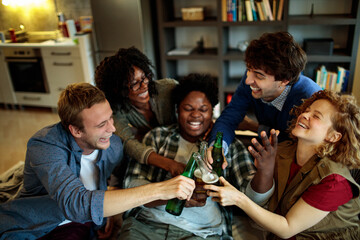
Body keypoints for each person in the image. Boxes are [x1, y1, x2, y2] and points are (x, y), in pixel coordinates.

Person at [0, 83, 195, 240]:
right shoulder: (44, 145)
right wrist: (162, 189)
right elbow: (75, 204)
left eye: (111, 118)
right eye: (102, 125)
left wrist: (109, 213)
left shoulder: (114, 146)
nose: (112, 129)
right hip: (35, 225)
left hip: (81, 225)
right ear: (76, 130)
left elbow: (115, 182)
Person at [118, 74, 274, 239]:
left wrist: (265, 171)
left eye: (203, 109)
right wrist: (171, 194)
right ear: (177, 110)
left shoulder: (229, 147)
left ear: (212, 111)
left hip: (202, 233)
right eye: (188, 108)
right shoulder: (157, 137)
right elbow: (132, 186)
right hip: (147, 225)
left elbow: (252, 199)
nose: (196, 115)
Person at [205, 90, 360, 239]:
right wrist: (264, 172)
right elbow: (260, 202)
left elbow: (287, 229)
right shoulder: (283, 150)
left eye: (316, 116)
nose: (305, 115)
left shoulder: (334, 182)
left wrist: (238, 198)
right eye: (306, 110)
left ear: (333, 136)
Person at [208, 32, 321, 159]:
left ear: (285, 80)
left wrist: (256, 128)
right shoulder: (250, 79)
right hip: (268, 151)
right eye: (249, 69)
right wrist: (218, 147)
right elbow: (230, 116)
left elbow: (300, 144)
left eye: (259, 75)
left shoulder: (310, 96)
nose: (247, 80)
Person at [95, 47, 184, 177]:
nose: (143, 86)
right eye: (134, 83)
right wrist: (171, 165)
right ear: (118, 90)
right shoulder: (117, 110)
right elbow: (128, 143)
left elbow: (196, 104)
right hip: (159, 153)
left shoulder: (168, 88)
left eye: (144, 77)